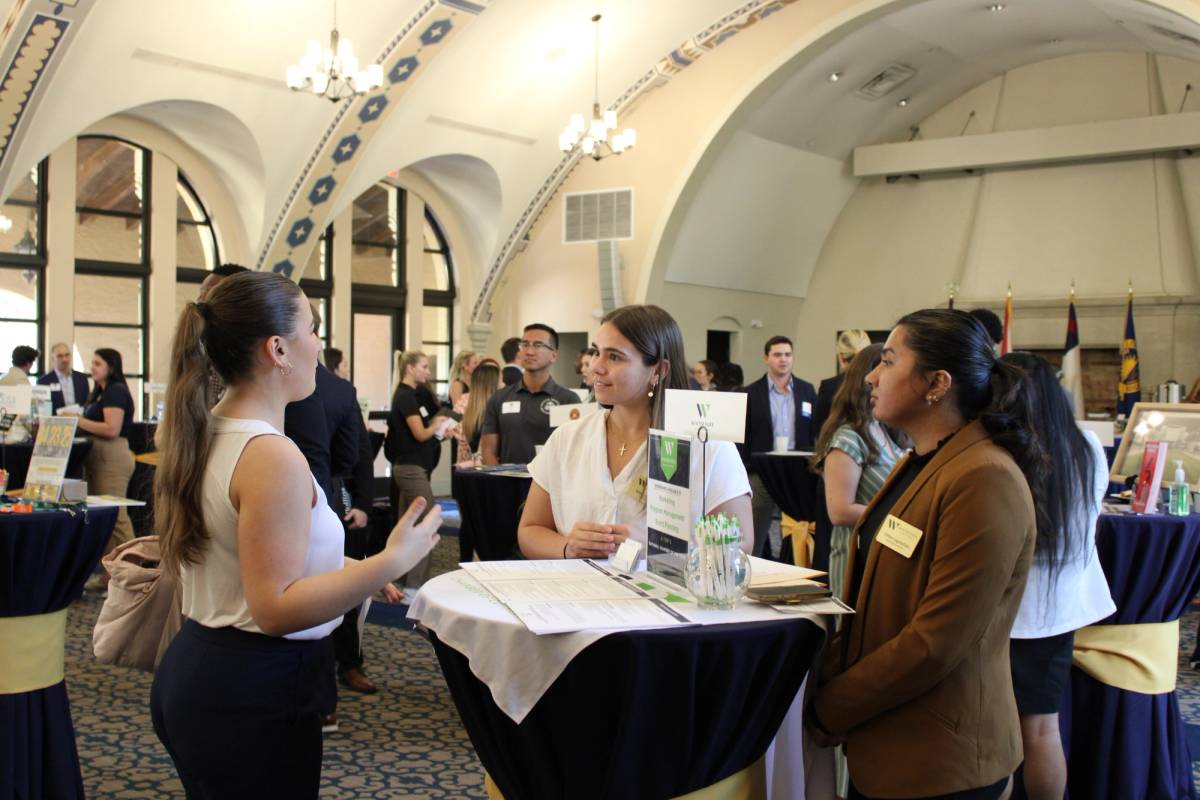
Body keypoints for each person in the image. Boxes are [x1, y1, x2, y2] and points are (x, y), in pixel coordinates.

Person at [150, 271, 440, 798]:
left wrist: (357, 576)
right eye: (312, 328)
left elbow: (257, 560)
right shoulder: (268, 454)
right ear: (278, 348)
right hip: (251, 684)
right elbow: (276, 607)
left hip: (211, 670)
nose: (319, 344)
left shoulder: (209, 428)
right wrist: (390, 560)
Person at [809, 309, 1043, 800]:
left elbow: (934, 643)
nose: (870, 375)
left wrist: (830, 707)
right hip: (889, 738)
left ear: (936, 383)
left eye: (888, 362)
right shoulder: (922, 461)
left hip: (941, 759)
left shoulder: (983, 477)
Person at [518, 305, 752, 559]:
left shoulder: (706, 445)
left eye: (615, 357)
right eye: (597, 352)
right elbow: (531, 529)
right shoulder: (568, 438)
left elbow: (739, 544)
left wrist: (661, 549)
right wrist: (567, 547)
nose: (596, 366)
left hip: (668, 595)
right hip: (578, 594)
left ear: (658, 370)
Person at [1001, 351, 1115, 800]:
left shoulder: (1003, 446)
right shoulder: (1085, 445)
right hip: (1058, 608)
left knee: (999, 737)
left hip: (1006, 608)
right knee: (1043, 729)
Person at [811, 343, 901, 602]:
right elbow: (839, 511)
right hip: (856, 558)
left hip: (882, 553)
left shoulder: (881, 428)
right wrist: (904, 519)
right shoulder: (848, 437)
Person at [741, 335, 818, 560]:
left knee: (796, 533)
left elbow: (813, 429)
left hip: (797, 472)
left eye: (787, 354)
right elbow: (743, 435)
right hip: (761, 472)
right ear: (766, 358)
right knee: (755, 531)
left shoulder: (806, 390)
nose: (783, 360)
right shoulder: (751, 393)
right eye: (777, 355)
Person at [384, 350, 453, 590]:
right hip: (410, 469)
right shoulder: (406, 397)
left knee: (408, 527)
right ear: (410, 368)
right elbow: (420, 433)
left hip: (413, 467)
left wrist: (441, 431)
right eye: (424, 366)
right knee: (426, 525)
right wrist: (436, 423)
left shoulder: (412, 396)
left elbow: (422, 438)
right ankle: (415, 586)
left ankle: (402, 580)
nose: (429, 372)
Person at [62, 348, 136, 552]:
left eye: (97, 364)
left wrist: (79, 420)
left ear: (110, 367)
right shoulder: (98, 393)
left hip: (111, 457)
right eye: (92, 363)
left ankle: (134, 569)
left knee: (116, 515)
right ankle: (109, 573)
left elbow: (112, 429)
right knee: (100, 515)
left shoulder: (116, 390)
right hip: (95, 457)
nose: (91, 368)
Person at [480, 324, 580, 465]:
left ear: (554, 355)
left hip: (551, 485)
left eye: (538, 345)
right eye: (525, 345)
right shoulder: (499, 399)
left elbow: (575, 452)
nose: (529, 351)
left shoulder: (568, 399)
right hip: (508, 483)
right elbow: (488, 451)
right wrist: (500, 482)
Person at [813, 329, 872, 439]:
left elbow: (819, 430)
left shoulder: (829, 387)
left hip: (836, 449)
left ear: (841, 357)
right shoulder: (877, 384)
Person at [456, 362, 501, 465]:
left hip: (468, 469)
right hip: (492, 469)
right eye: (501, 380)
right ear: (493, 384)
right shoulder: (498, 407)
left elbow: (457, 437)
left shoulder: (462, 402)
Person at [37, 342, 90, 412]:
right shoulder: (43, 381)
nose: (64, 359)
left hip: (79, 420)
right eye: (60, 356)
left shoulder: (82, 378)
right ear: (53, 359)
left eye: (67, 355)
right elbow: (42, 409)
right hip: (55, 421)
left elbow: (86, 403)